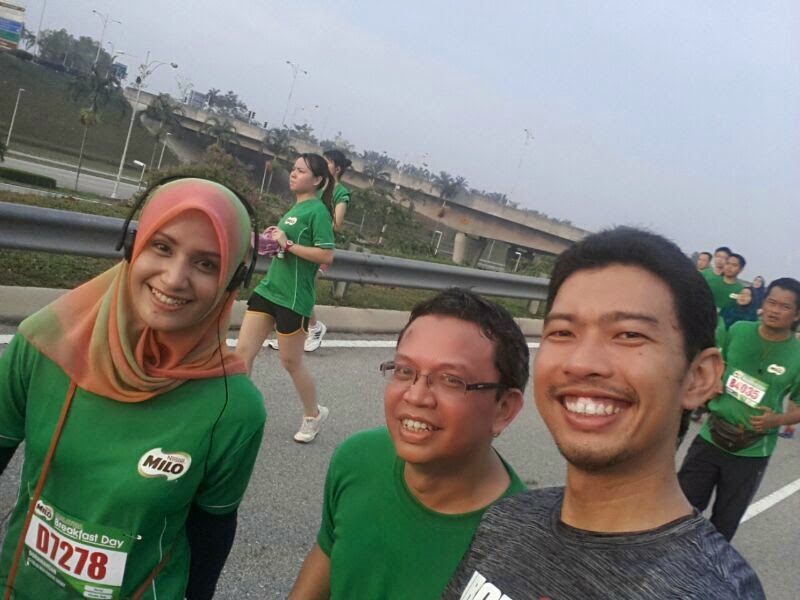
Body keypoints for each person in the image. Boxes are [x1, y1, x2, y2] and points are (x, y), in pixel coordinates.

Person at [444, 227, 763, 599]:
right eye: (563, 332)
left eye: (629, 335)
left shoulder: (710, 591)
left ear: (699, 377)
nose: (582, 363)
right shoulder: (507, 520)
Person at [0, 177, 267, 599]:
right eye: (162, 247)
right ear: (132, 246)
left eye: (205, 264)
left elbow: (210, 536)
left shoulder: (234, 408)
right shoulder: (43, 346)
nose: (174, 279)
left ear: (232, 281)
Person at [289, 288, 528, 599]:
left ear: (504, 409)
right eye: (404, 371)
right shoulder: (358, 459)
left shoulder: (523, 550)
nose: (415, 396)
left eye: (451, 380)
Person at [678, 277, 800, 541]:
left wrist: (777, 419)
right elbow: (716, 364)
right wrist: (714, 382)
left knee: (725, 521)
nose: (774, 310)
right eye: (771, 302)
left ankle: (711, 565)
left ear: (797, 315)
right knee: (681, 509)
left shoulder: (798, 354)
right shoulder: (740, 330)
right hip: (711, 437)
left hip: (751, 450)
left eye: (784, 306)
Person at [236, 153, 335, 443]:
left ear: (317, 180)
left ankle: (313, 414)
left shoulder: (318, 212)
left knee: (291, 362)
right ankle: (238, 414)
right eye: (293, 169)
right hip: (268, 290)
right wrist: (273, 240)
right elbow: (286, 246)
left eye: (300, 171)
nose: (293, 174)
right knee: (242, 354)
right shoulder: (295, 208)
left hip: (293, 299)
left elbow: (326, 255)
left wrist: (288, 244)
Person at [303, 149, 354, 353]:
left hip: (320, 248)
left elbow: (337, 224)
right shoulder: (316, 187)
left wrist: (316, 223)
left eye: (328, 162)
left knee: (303, 288)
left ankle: (314, 328)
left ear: (337, 168)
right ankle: (293, 334)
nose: (323, 166)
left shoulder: (340, 193)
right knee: (295, 287)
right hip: (302, 244)